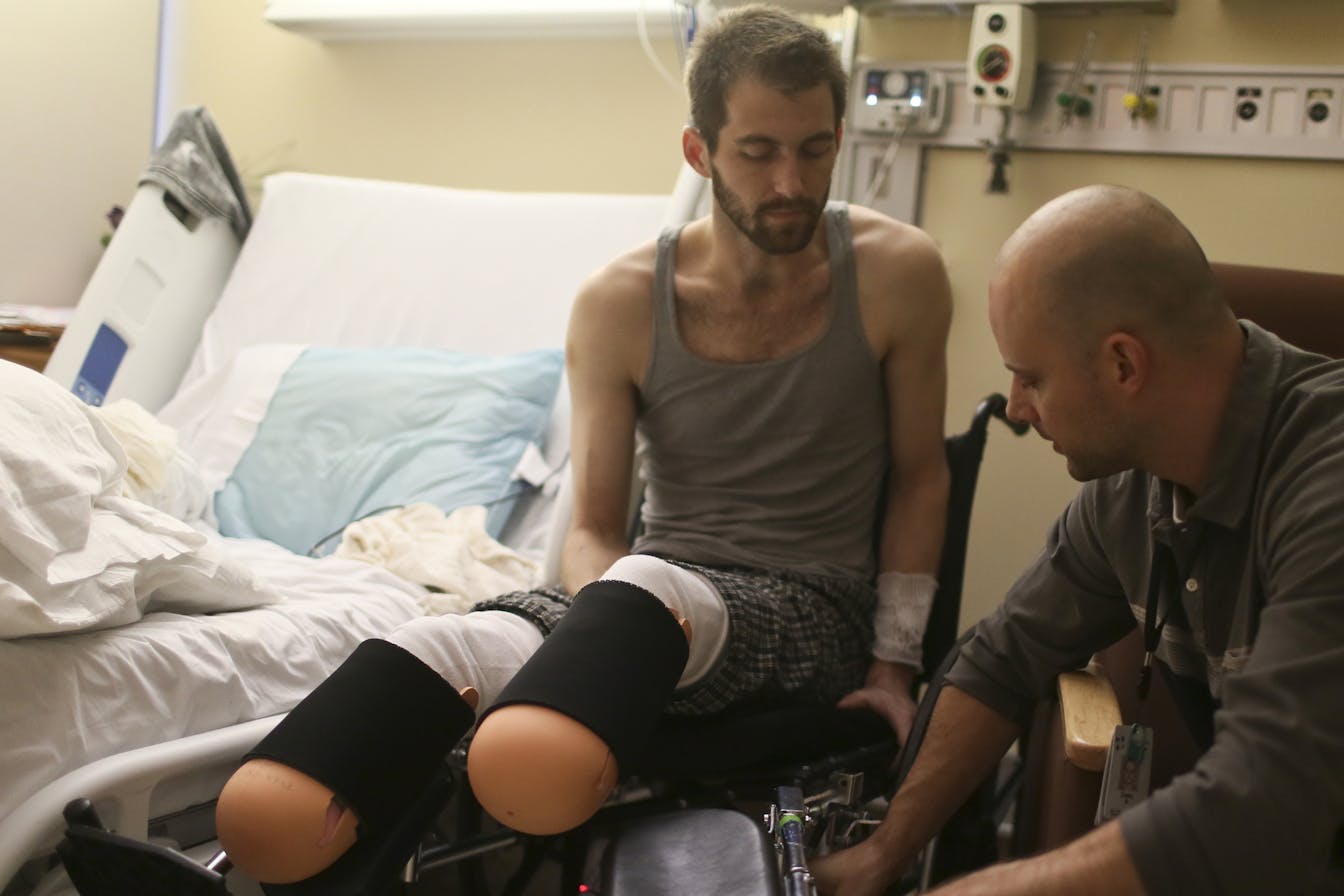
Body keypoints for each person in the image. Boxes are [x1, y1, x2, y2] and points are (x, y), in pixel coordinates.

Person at [213, 3, 954, 884]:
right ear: (700, 151)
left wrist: (894, 665)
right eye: (759, 152)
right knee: (444, 644)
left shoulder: (898, 272)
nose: (791, 181)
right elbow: (594, 526)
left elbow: (921, 477)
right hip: (645, 605)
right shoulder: (620, 300)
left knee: (637, 600)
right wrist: (594, 633)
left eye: (815, 149)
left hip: (808, 608)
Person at [812, 184, 1344, 895]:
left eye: (1030, 377)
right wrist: (885, 854)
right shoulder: (1131, 493)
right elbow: (1000, 661)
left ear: (1123, 365)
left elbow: (1261, 807)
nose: (1015, 407)